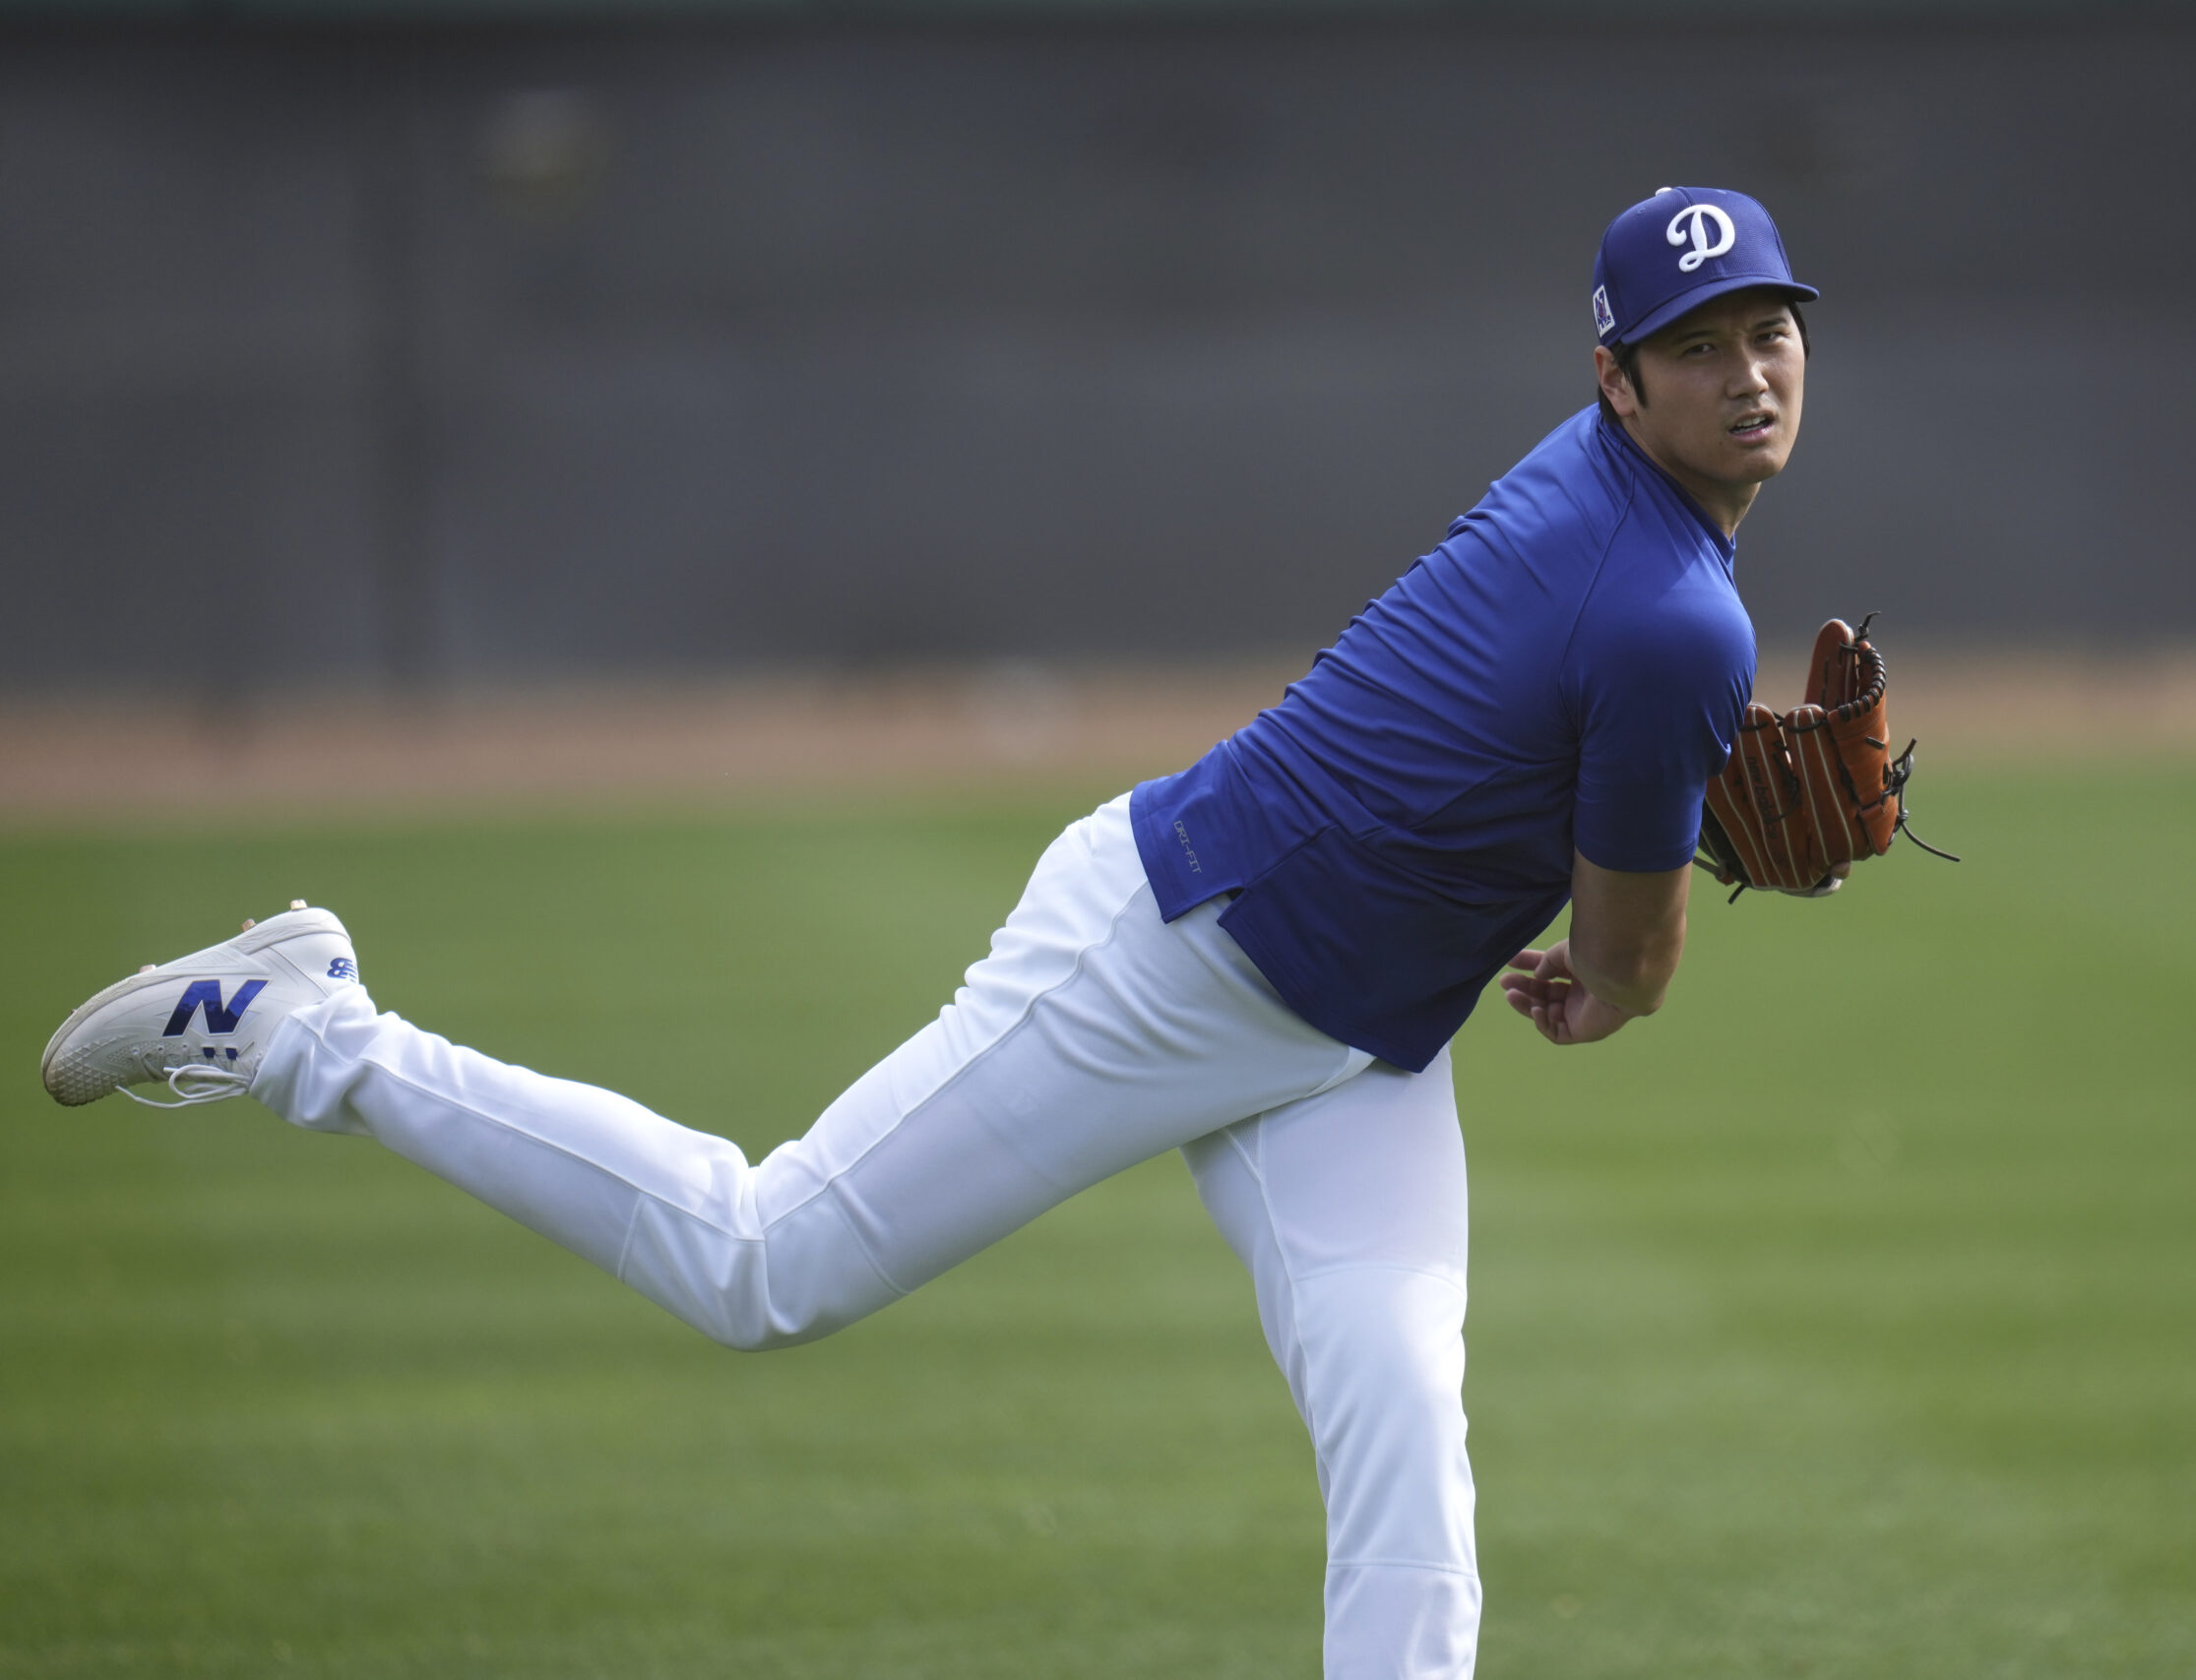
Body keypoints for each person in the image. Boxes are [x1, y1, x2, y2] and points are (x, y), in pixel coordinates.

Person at [41, 185, 1815, 1680]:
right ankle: (308, 1030)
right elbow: (1628, 966)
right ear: (1615, 379)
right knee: (761, 1266)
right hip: (1167, 957)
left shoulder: (1616, 511)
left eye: (1768, 330)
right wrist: (1625, 946)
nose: (1746, 375)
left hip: (1351, 1043)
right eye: (1696, 347)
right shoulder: (1671, 620)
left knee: (1408, 1449)